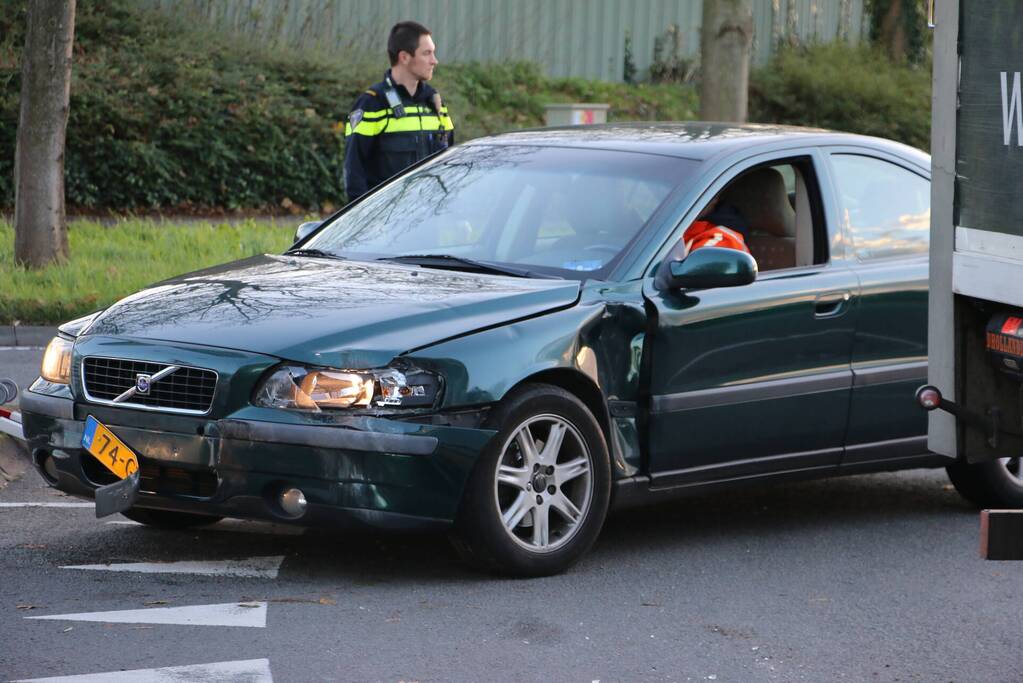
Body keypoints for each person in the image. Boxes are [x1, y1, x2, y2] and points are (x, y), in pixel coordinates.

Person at [343, 21, 455, 202]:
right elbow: (354, 170)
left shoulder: (435, 103)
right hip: (388, 223)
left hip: (430, 218)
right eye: (427, 53)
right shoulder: (372, 103)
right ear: (404, 57)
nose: (435, 60)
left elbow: (450, 161)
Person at [682, 194, 751, 255]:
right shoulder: (682, 227)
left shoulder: (723, 239)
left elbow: (699, 263)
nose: (687, 200)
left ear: (714, 198)